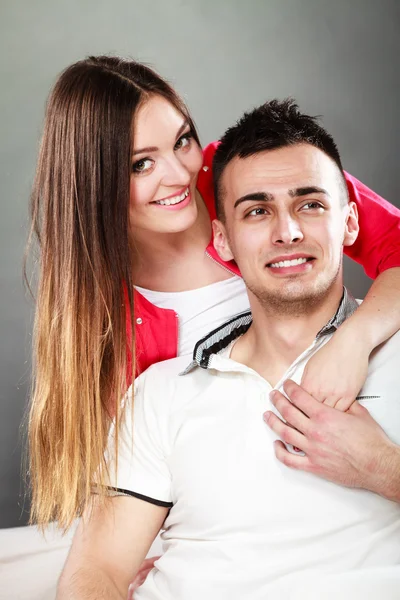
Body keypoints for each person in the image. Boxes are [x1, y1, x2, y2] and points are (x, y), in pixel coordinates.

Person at [27, 55, 400, 536]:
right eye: (142, 163)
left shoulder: (248, 177)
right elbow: (136, 466)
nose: (179, 174)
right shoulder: (104, 312)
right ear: (95, 184)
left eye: (182, 140)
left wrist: (353, 339)